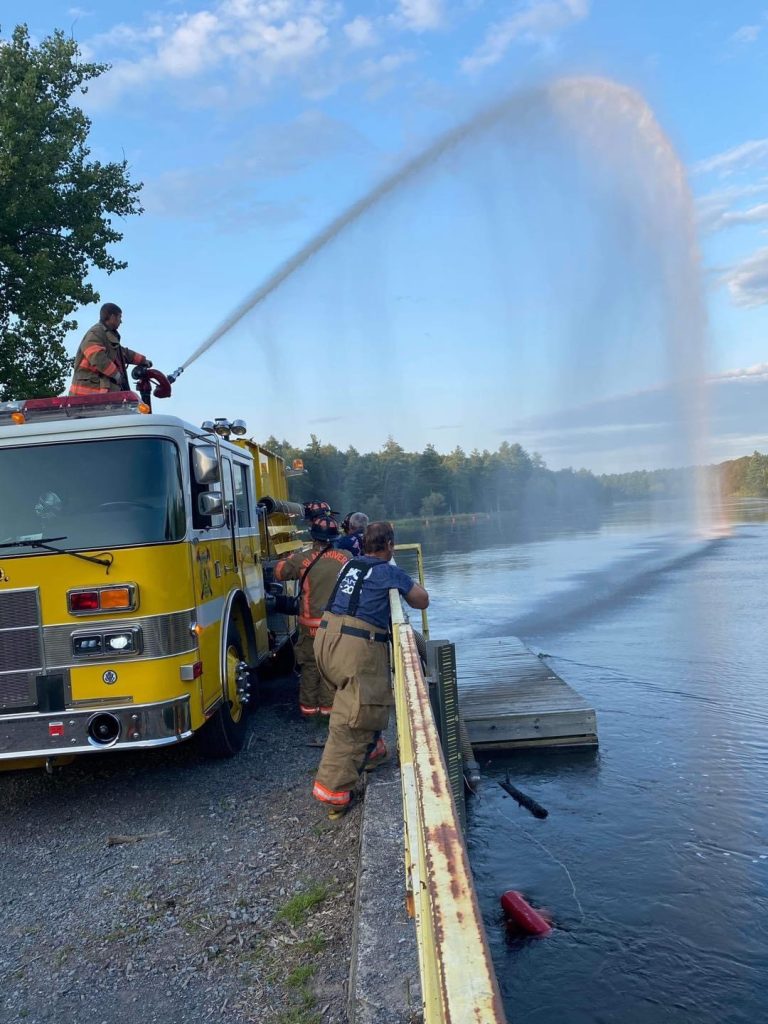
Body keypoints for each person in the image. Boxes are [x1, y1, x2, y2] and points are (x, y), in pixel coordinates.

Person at [312, 521, 429, 819]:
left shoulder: (349, 566)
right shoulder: (388, 570)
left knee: (361, 700)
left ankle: (373, 750)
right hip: (356, 646)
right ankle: (333, 794)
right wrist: (400, 578)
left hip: (326, 640)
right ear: (389, 545)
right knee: (355, 716)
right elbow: (422, 600)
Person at [274, 516, 351, 718]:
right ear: (334, 537)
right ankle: (328, 711)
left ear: (313, 536)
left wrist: (289, 557)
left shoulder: (301, 559)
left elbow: (279, 573)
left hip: (310, 626)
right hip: (337, 624)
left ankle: (308, 710)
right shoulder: (346, 557)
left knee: (310, 666)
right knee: (331, 666)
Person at [70, 303, 152, 395]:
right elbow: (97, 357)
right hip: (87, 397)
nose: (121, 321)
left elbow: (123, 354)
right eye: (120, 317)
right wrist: (116, 375)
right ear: (112, 317)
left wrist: (143, 360)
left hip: (98, 397)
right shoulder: (96, 333)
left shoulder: (107, 336)